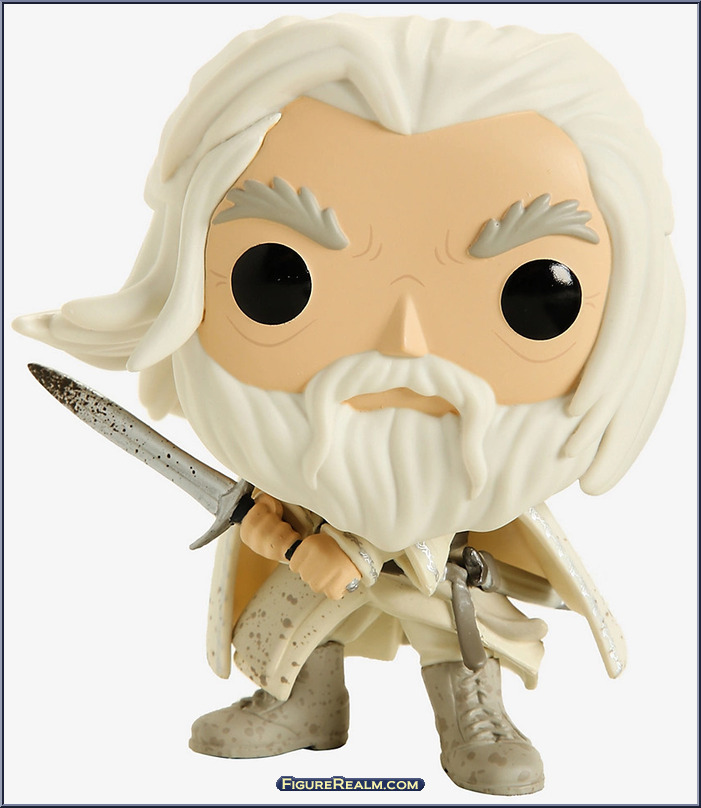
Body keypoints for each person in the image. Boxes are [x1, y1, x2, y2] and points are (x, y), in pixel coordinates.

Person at [13, 16, 684, 796]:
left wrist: (357, 553)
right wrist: (282, 536)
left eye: (534, 294)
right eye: (277, 278)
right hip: (312, 531)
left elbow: (422, 512)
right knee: (284, 621)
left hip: (443, 561)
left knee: (455, 621)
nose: (405, 342)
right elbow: (283, 521)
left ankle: (474, 717)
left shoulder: (480, 462)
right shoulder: (292, 450)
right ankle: (302, 702)